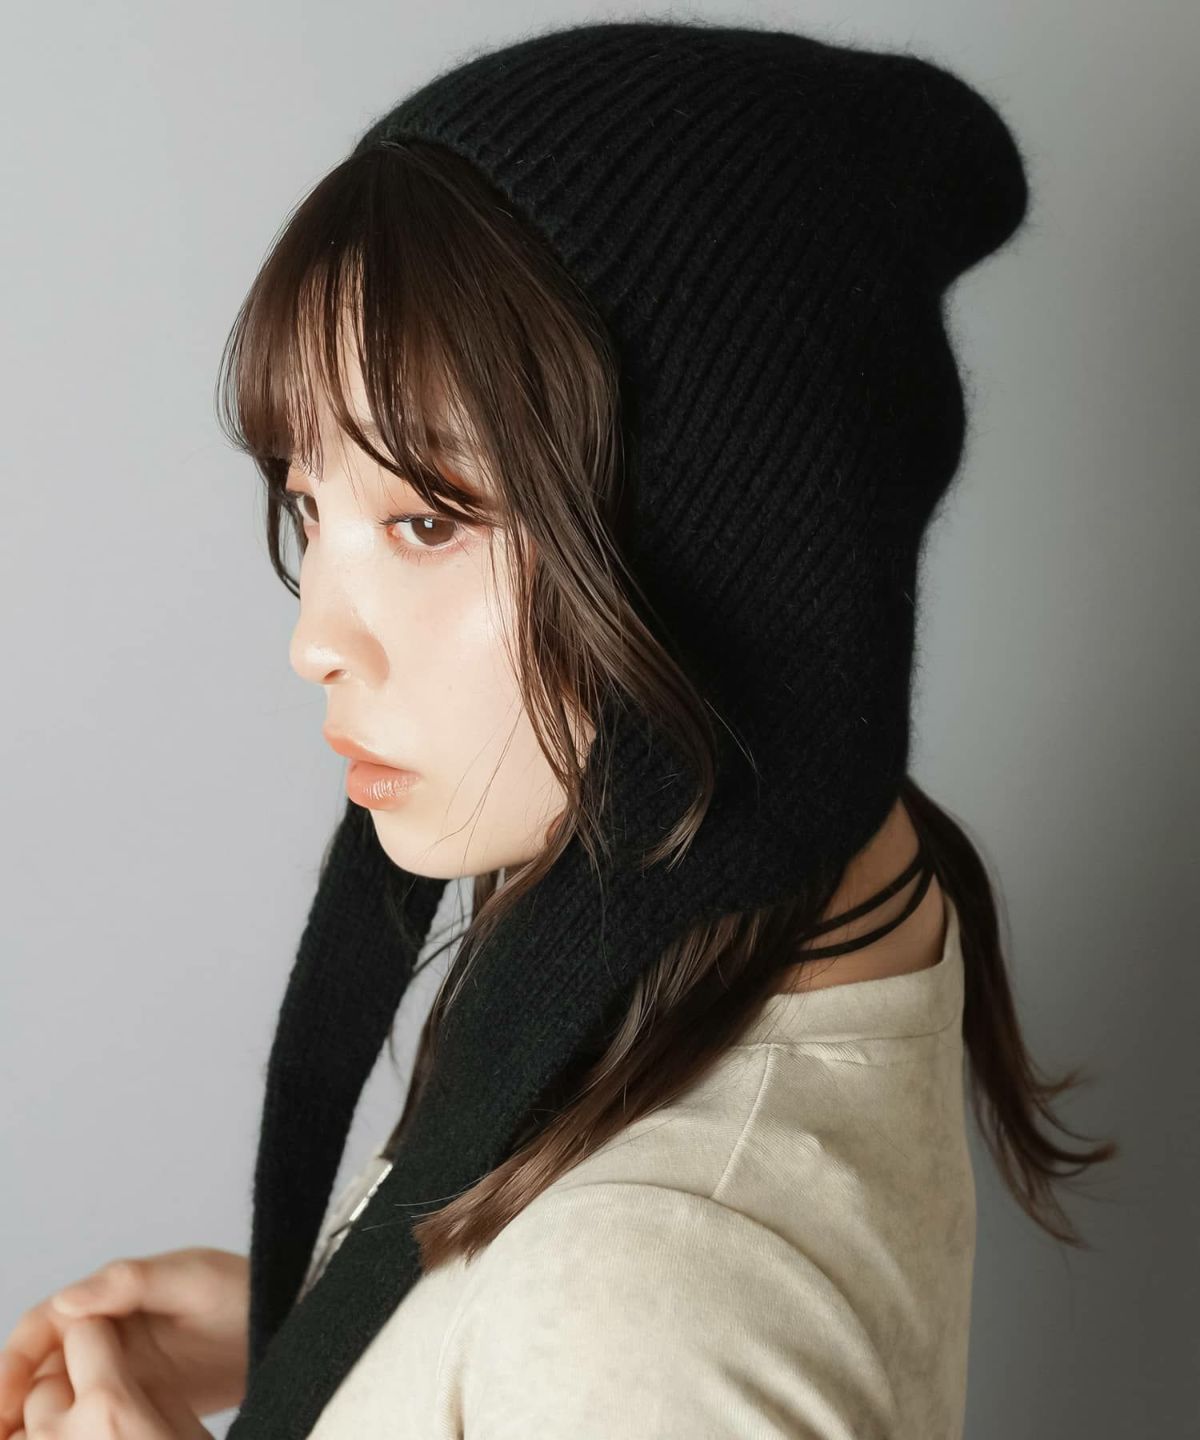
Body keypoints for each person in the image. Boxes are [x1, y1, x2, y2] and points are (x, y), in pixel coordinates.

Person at [0, 18, 1117, 1440]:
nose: (315, 639)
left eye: (427, 518)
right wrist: (356, 1342)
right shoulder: (776, 915)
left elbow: (636, 1307)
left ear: (722, 556)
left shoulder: (648, 1309)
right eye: (308, 507)